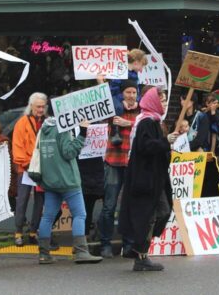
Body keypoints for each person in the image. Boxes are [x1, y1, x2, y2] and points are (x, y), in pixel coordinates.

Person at [35, 111, 102, 266]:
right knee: (80, 214)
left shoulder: (44, 128)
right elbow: (69, 152)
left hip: (50, 180)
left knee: (48, 217)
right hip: (67, 180)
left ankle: (44, 254)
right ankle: (81, 252)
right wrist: (83, 133)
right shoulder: (63, 128)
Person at [118, 87, 172, 272]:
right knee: (148, 215)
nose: (164, 103)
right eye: (162, 100)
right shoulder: (146, 122)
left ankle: (139, 248)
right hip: (145, 178)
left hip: (156, 178)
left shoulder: (155, 121)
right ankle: (140, 254)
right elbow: (145, 146)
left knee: (163, 211)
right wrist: (166, 141)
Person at [99, 80, 138, 257]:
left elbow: (150, 126)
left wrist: (127, 124)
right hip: (113, 161)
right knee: (109, 205)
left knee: (129, 206)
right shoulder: (113, 108)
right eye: (128, 92)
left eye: (134, 92)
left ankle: (128, 244)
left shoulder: (142, 111)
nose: (131, 96)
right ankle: (105, 244)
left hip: (132, 164)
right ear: (122, 93)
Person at [12, 93, 48, 248]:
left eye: (43, 106)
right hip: (25, 167)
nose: (41, 109)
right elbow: (17, 146)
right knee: (22, 200)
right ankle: (18, 232)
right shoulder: (22, 122)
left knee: (40, 201)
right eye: (38, 106)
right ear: (31, 106)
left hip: (43, 168)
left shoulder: (48, 122)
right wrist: (27, 165)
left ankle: (34, 231)